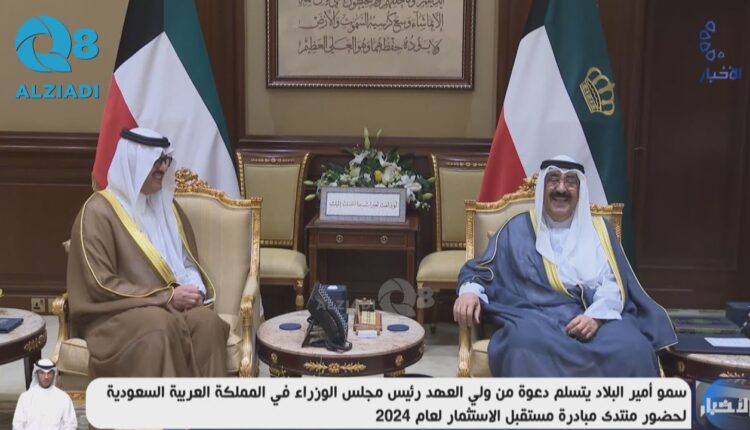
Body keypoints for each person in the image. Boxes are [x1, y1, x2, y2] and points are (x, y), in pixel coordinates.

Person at [453, 155, 676, 376]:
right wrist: (470, 293)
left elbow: (614, 284)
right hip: (535, 318)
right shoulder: (516, 229)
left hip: (592, 313)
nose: (561, 188)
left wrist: (596, 317)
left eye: (570, 181)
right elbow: (483, 270)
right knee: (522, 345)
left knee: (633, 348)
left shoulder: (599, 231)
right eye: (553, 179)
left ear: (580, 190)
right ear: (542, 187)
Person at [66, 127, 229, 377]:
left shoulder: (167, 208)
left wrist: (193, 289)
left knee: (208, 325)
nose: (163, 168)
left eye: (166, 160)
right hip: (113, 314)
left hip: (167, 308)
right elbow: (101, 283)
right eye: (156, 161)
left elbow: (186, 263)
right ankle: (162, 403)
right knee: (159, 328)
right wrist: (166, 297)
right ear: (133, 162)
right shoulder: (97, 212)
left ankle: (206, 402)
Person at [12, 359, 77, 430]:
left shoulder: (63, 397)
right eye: (42, 373)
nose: (46, 377)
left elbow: (70, 424)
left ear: (54, 374)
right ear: (36, 374)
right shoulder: (25, 397)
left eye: (49, 373)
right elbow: (18, 424)